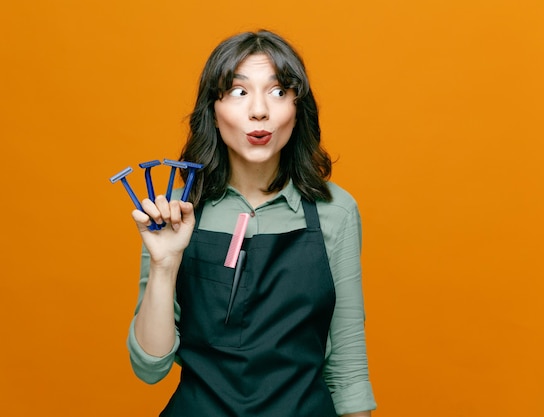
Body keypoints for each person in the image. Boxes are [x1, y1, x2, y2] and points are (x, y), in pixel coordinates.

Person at [126, 30, 377, 417]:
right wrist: (164, 265)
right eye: (239, 92)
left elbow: (348, 369)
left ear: (298, 109)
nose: (259, 111)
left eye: (278, 92)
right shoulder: (174, 211)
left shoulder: (335, 210)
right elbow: (149, 368)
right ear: (213, 108)